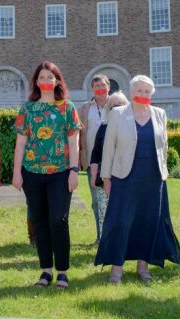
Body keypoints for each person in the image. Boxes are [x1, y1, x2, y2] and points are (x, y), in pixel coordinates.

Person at [95, 75, 180, 284]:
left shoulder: (160, 114)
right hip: (124, 177)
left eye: (147, 91)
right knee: (121, 222)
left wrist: (163, 170)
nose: (143, 95)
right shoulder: (118, 113)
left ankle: (143, 266)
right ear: (131, 93)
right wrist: (106, 177)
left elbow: (164, 147)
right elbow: (108, 148)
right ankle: (116, 268)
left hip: (153, 178)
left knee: (148, 222)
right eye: (139, 91)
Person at [12, 61, 82, 289]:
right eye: (41, 78)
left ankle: (62, 272)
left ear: (57, 81)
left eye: (50, 77)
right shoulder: (28, 109)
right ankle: (46, 272)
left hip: (61, 173)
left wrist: (74, 171)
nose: (46, 82)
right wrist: (17, 173)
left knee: (58, 221)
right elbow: (20, 143)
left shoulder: (67, 107)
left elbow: (74, 141)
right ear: (36, 82)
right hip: (32, 174)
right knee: (40, 222)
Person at [87, 92, 129, 242]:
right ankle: (106, 241)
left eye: (120, 105)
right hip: (104, 177)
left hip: (126, 177)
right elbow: (95, 154)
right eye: (113, 106)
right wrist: (93, 175)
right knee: (104, 211)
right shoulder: (103, 128)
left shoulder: (132, 127)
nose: (116, 108)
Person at [79, 74, 112, 243]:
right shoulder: (85, 108)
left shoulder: (118, 105)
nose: (100, 88)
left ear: (109, 87)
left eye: (103, 85)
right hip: (93, 163)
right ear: (92, 89)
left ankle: (115, 236)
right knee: (96, 202)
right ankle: (101, 237)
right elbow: (78, 135)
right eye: (96, 86)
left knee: (115, 200)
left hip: (115, 163)